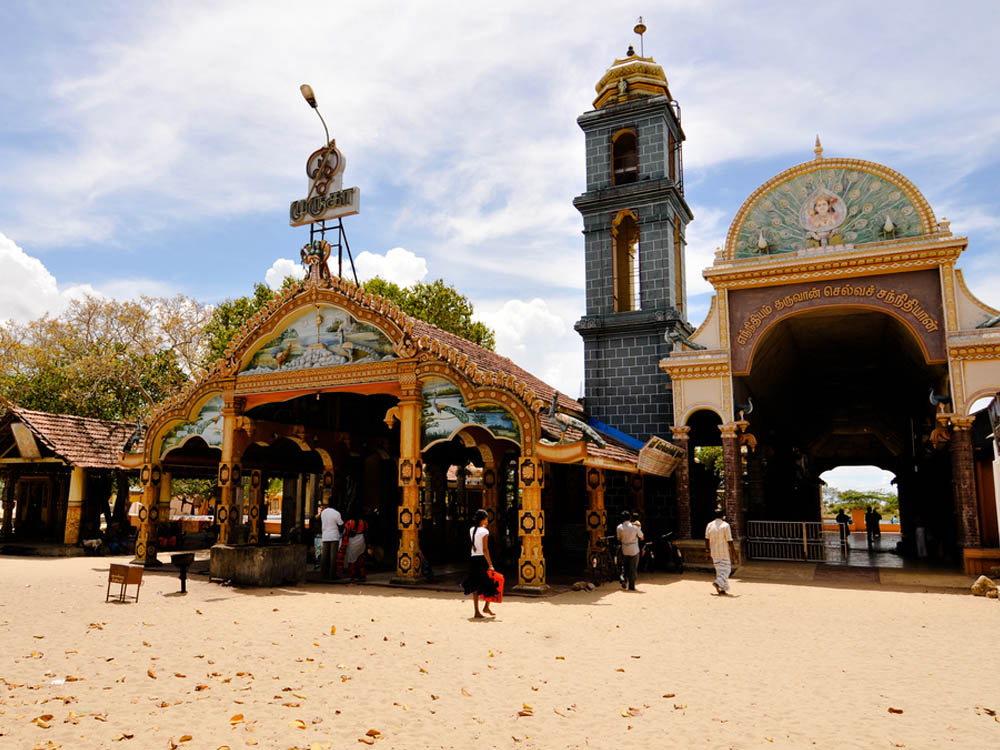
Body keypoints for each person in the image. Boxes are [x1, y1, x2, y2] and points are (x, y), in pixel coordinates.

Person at [461, 509, 500, 618]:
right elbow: (485, 549)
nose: (487, 521)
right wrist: (490, 564)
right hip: (482, 560)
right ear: (483, 519)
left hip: (473, 559)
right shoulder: (484, 531)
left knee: (474, 585)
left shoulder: (471, 530)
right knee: (491, 582)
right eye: (486, 518)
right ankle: (486, 606)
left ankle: (476, 611)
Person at [705, 508, 735, 596]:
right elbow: (729, 540)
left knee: (719, 571)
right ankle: (717, 583)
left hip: (714, 552)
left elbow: (707, 539)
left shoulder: (709, 525)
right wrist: (733, 552)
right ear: (723, 516)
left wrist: (707, 551)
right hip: (724, 552)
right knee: (727, 570)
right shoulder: (725, 525)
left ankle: (723, 589)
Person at [338, 510, 369, 582]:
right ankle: (361, 575)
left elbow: (345, 533)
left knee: (352, 559)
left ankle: (353, 575)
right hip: (361, 541)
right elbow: (366, 531)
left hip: (352, 542)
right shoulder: (364, 523)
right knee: (360, 558)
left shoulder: (349, 523)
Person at [616, 510, 644, 591]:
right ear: (630, 517)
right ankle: (631, 586)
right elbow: (642, 537)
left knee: (624, 567)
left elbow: (619, 539)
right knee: (633, 568)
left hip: (624, 548)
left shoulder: (619, 527)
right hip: (634, 549)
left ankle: (623, 579)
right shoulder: (635, 527)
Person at [319, 498, 344, 580]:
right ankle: (332, 575)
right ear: (336, 504)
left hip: (325, 535)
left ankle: (323, 574)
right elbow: (340, 524)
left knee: (324, 556)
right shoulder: (336, 513)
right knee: (333, 557)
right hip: (334, 536)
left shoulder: (323, 512)